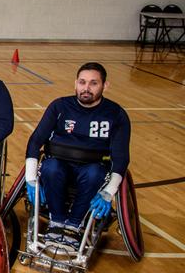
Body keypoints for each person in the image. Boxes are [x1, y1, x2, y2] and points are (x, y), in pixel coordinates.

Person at [24, 62, 131, 247]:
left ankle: (74, 224)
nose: (86, 88)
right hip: (58, 164)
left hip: (93, 168)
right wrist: (31, 179)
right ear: (75, 83)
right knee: (50, 167)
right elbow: (35, 141)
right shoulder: (59, 107)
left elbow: (121, 158)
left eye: (93, 83)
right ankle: (56, 222)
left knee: (94, 173)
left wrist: (109, 191)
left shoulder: (116, 114)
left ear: (105, 86)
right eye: (82, 82)